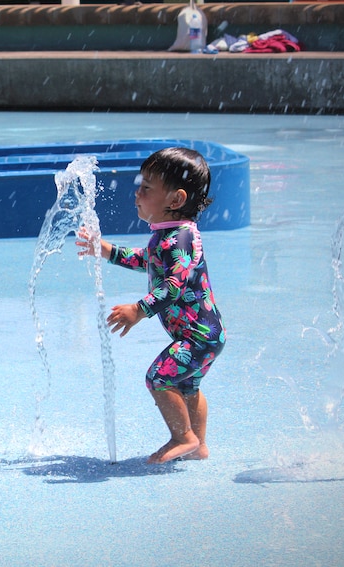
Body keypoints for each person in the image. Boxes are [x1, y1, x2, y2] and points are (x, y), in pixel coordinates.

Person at [76, 147, 226, 464]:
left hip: (197, 337)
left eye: (146, 188)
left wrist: (138, 310)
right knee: (188, 386)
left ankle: (182, 437)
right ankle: (199, 445)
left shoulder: (183, 239)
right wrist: (105, 250)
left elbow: (173, 285)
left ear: (175, 200)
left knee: (159, 378)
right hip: (203, 336)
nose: (137, 193)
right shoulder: (168, 236)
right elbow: (147, 262)